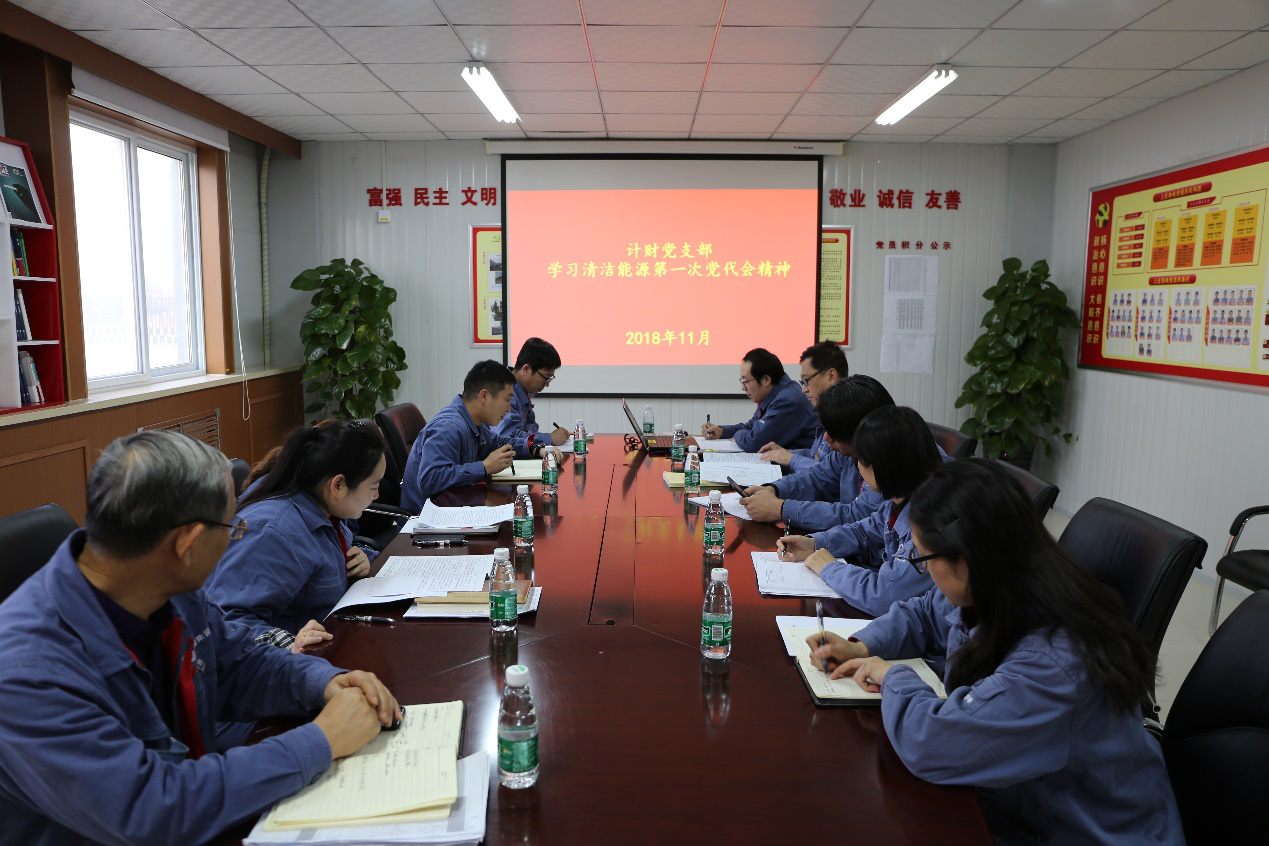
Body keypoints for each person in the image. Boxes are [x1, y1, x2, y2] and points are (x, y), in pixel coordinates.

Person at [0, 431, 400, 846]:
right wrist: (321, 741)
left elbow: (238, 663)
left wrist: (324, 682)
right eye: (232, 527)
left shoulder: (169, 587)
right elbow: (154, 809)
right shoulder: (28, 673)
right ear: (187, 544)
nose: (236, 538)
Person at [807, 459, 1182, 844]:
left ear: (966, 559)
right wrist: (861, 645)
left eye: (922, 558)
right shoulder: (1005, 577)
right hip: (1022, 801)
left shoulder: (1055, 660)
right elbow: (926, 612)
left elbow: (933, 744)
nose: (926, 573)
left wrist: (893, 677)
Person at [204, 419, 387, 651]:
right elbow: (227, 621)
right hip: (286, 661)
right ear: (338, 485)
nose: (377, 495)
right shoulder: (272, 532)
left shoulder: (325, 506)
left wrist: (361, 559)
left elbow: (332, 552)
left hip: (332, 637)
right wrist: (291, 643)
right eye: (373, 486)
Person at [777, 406, 940, 614]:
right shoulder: (900, 500)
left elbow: (884, 596)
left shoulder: (930, 521)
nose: (859, 470)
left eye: (860, 460)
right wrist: (814, 543)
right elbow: (863, 532)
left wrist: (830, 568)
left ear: (882, 466)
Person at [402, 360, 560, 511]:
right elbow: (429, 479)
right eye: (507, 400)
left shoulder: (473, 421)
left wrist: (534, 449)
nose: (508, 409)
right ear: (484, 396)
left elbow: (499, 443)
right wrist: (484, 467)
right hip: (426, 520)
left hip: (453, 507)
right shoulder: (448, 427)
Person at [741, 375, 892, 529]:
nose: (826, 438)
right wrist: (774, 489)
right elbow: (816, 477)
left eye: (834, 431)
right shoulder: (847, 453)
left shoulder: (885, 466)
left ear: (861, 431)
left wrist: (780, 509)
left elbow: (857, 516)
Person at [700, 347, 817, 451]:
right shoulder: (772, 393)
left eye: (745, 381)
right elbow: (752, 426)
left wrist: (737, 435)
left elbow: (755, 442)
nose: (743, 388)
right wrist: (722, 431)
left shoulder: (787, 401)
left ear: (766, 380)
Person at [756, 341, 848, 471]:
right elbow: (816, 455)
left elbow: (830, 473)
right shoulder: (829, 412)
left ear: (831, 376)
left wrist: (791, 458)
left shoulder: (848, 417)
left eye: (807, 380)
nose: (803, 389)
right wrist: (783, 453)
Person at [494, 337, 570, 451]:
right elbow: (506, 438)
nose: (547, 384)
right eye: (546, 378)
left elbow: (531, 427)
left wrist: (537, 437)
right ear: (526, 369)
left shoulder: (522, 391)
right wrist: (549, 438)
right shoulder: (505, 393)